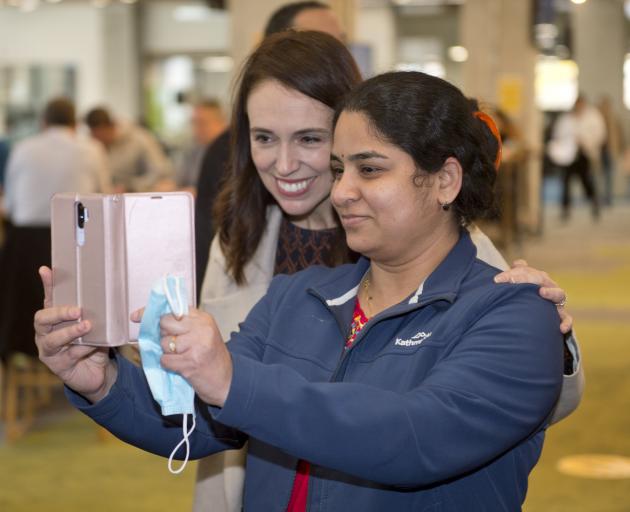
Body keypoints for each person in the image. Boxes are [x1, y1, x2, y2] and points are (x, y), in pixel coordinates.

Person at [36, 46, 577, 511]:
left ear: (444, 180)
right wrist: (102, 381)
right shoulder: (298, 295)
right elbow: (196, 420)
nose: (340, 191)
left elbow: (415, 437)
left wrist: (233, 382)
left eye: (369, 169)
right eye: (339, 169)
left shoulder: (514, 311)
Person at [194, 1, 345, 293]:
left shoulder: (391, 246)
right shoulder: (235, 237)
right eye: (264, 138)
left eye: (309, 139)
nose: (285, 165)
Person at [0, 97, 110, 360]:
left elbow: (11, 206)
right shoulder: (92, 149)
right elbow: (103, 200)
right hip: (74, 246)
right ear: (75, 123)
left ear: (43, 122)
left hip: (23, 251)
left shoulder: (23, 148)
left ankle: (19, 354)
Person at [85, 106, 175, 193]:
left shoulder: (140, 139)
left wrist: (130, 187)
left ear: (109, 127)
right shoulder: (97, 145)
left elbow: (160, 172)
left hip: (138, 197)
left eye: (100, 136)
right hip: (112, 197)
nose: (98, 141)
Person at [547, 94, 606, 221]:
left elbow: (600, 134)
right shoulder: (566, 119)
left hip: (585, 154)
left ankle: (594, 204)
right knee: (566, 182)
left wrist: (587, 142)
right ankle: (565, 209)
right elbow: (558, 135)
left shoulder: (593, 117)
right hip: (568, 156)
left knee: (586, 181)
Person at [176, 99, 227, 190]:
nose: (197, 128)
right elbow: (179, 182)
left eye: (202, 123)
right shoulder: (192, 150)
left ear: (221, 123)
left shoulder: (231, 152)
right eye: (194, 123)